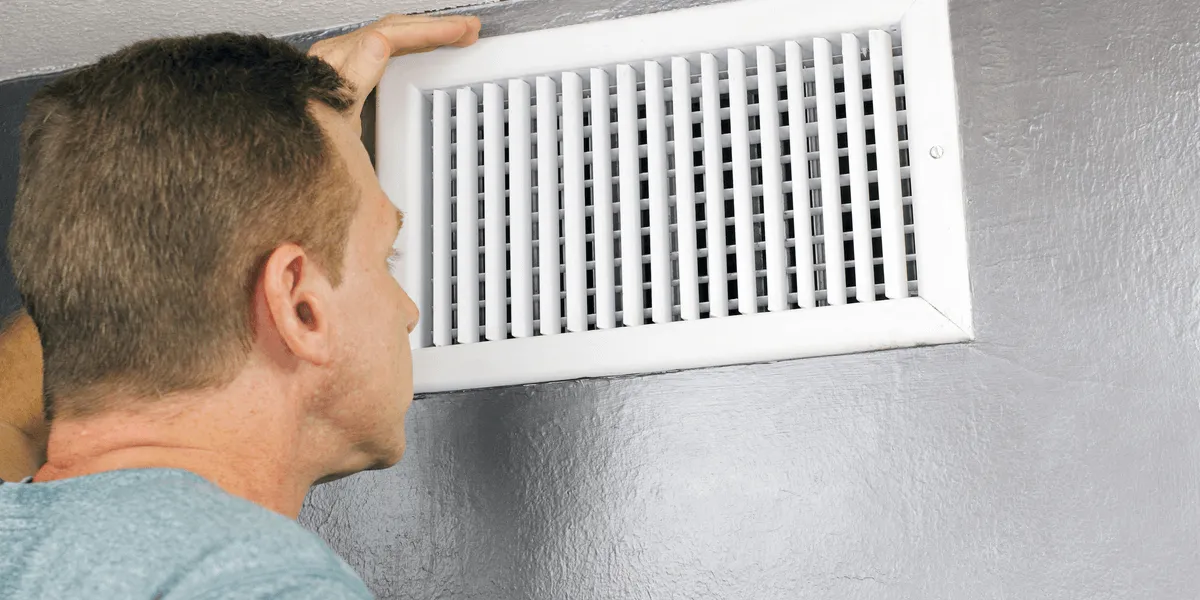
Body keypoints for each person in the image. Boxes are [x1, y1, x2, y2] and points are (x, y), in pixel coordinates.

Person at [0, 14, 480, 599]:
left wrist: (272, 180)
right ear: (301, 307)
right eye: (385, 257)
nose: (408, 310)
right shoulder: (270, 586)